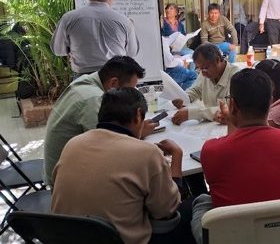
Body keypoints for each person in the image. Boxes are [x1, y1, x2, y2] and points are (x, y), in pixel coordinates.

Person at [190, 69, 280, 244]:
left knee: (201, 201)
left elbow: (225, 189)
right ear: (270, 102)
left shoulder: (212, 151)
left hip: (236, 237)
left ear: (232, 105)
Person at [51, 87, 193, 244]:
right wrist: (177, 155)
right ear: (139, 114)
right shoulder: (147, 153)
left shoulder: (73, 144)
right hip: (120, 239)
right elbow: (167, 210)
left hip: (66, 236)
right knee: (195, 207)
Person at [43, 56, 156, 186]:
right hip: (64, 182)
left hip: (66, 167)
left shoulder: (88, 81)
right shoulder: (93, 100)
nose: (131, 94)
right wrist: (138, 132)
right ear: (113, 84)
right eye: (129, 90)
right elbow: (108, 150)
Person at [51, 0, 139, 77]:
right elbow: (132, 53)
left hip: (83, 79)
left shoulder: (69, 18)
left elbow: (58, 50)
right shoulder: (124, 21)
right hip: (115, 78)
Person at [171, 43, 239, 125]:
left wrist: (193, 113)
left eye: (205, 68)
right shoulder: (206, 73)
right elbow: (196, 90)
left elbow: (229, 110)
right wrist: (184, 98)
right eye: (199, 69)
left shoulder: (236, 76)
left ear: (217, 60)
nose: (203, 73)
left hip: (227, 126)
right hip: (210, 124)